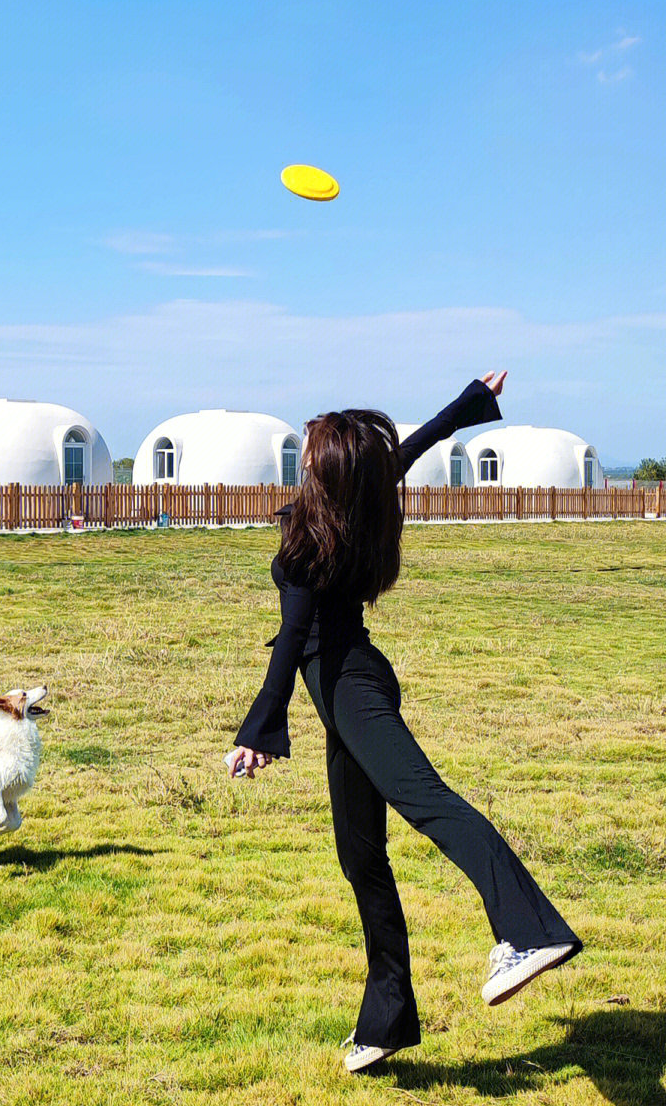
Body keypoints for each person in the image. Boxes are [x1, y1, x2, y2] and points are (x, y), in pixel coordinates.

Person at [227, 373, 582, 1074]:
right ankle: (386, 1023)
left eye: (311, 451)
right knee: (361, 857)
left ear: (328, 470)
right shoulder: (365, 495)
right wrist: (472, 399)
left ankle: (530, 929)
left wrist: (257, 730)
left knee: (426, 802)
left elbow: (294, 639)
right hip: (350, 685)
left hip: (350, 687)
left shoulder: (307, 534)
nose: (302, 458)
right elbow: (422, 441)